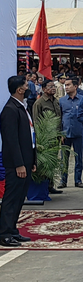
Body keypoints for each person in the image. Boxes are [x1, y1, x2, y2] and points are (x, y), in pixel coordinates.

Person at [0, 76, 36, 247]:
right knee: (11, 198)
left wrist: (32, 160)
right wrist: (19, 164)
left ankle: (13, 230)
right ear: (19, 90)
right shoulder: (10, 110)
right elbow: (11, 141)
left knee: (20, 198)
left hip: (26, 160)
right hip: (16, 164)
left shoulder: (22, 107)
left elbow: (29, 135)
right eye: (26, 85)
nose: (29, 87)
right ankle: (4, 233)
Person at [58, 77, 83, 189]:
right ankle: (63, 180)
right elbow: (59, 118)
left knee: (79, 158)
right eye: (65, 85)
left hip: (79, 133)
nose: (66, 87)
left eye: (68, 85)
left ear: (75, 86)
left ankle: (78, 180)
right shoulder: (62, 101)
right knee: (64, 159)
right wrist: (60, 133)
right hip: (65, 134)